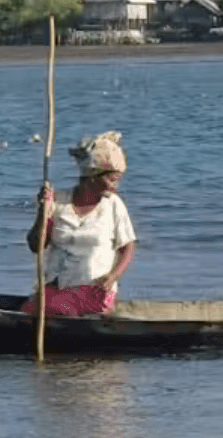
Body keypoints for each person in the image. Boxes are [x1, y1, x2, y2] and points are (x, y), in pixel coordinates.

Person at [22, 131, 137, 316]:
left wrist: (112, 277)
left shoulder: (114, 205)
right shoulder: (58, 202)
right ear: (92, 176)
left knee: (56, 311)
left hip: (95, 293)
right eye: (111, 180)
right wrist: (43, 213)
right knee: (37, 310)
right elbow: (36, 245)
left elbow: (127, 247)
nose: (114, 187)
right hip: (57, 288)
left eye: (117, 181)